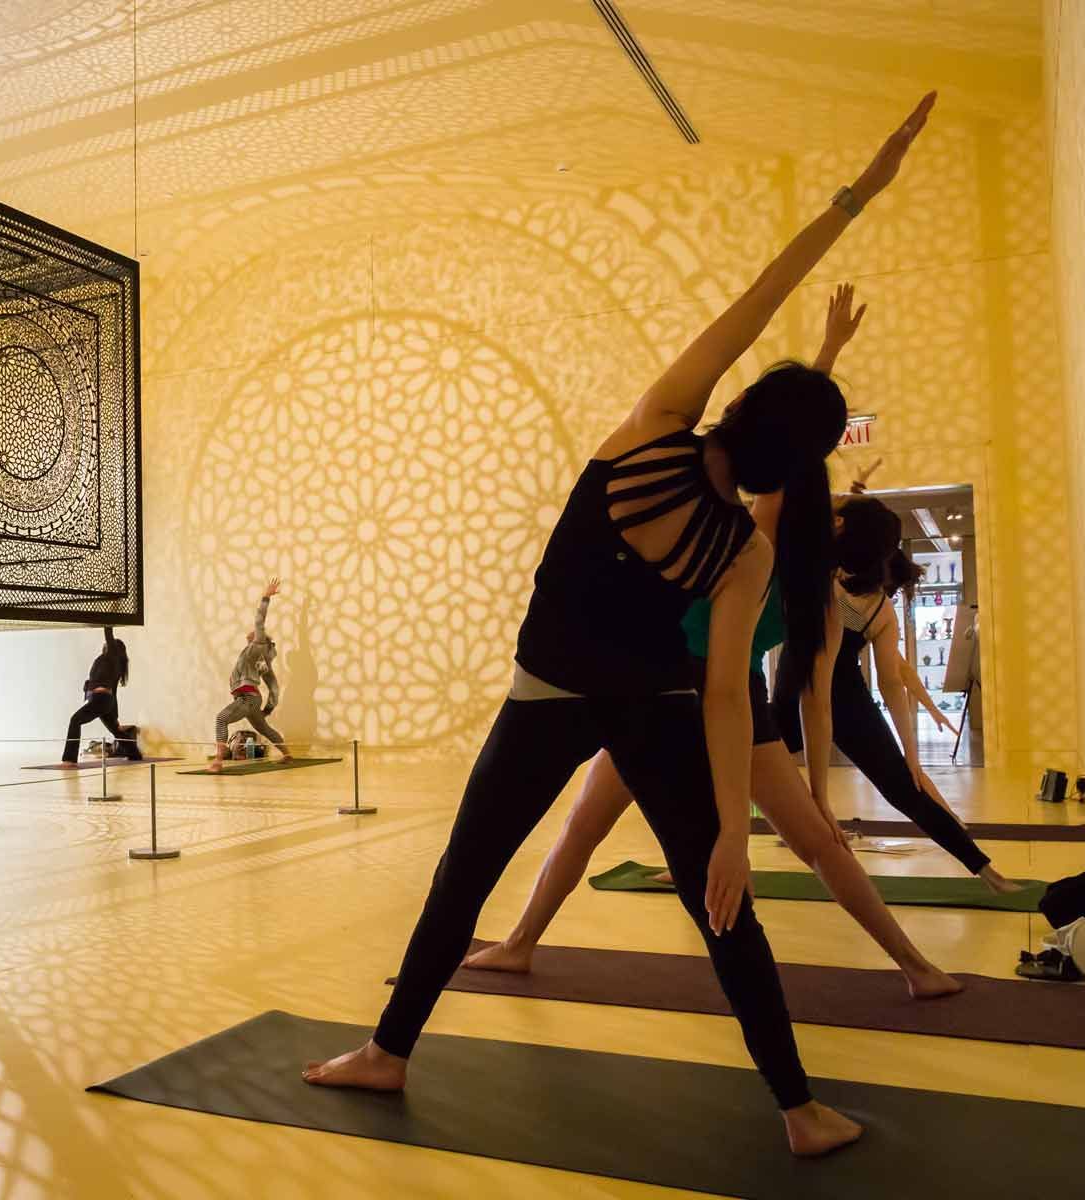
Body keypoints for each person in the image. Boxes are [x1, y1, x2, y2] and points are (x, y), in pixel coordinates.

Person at [304, 93, 939, 1159]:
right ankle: (801, 1112)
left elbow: (760, 292)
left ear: (739, 409)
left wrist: (854, 198)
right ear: (797, 467)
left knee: (465, 877)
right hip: (658, 706)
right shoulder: (742, 550)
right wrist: (735, 833)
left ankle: (388, 1052)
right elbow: (729, 693)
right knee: (723, 906)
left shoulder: (654, 427)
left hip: (556, 693)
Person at [462, 290, 963, 1000]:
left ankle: (519, 943)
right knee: (779, 839)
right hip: (686, 693)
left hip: (675, 690)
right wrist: (819, 793)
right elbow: (783, 442)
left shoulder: (757, 542)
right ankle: (916, 967)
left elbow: (781, 442)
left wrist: (824, 359)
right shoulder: (784, 566)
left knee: (596, 827)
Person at [776, 543, 1021, 892]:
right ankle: (987, 872)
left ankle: (984, 869)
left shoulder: (862, 600)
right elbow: (894, 681)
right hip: (808, 699)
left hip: (841, 703)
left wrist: (912, 756)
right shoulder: (846, 592)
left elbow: (893, 681)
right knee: (734, 769)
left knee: (905, 788)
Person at [207, 578, 290, 773]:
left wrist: (266, 597)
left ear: (260, 638)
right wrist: (266, 711)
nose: (250, 633)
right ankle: (287, 753)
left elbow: (259, 620)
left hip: (247, 698)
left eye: (254, 633)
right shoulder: (262, 661)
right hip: (253, 700)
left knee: (221, 718)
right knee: (265, 729)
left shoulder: (256, 648)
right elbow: (274, 688)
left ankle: (218, 761)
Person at [61, 627, 141, 765]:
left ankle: (69, 759)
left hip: (101, 700)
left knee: (75, 720)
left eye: (110, 644)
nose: (105, 644)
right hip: (103, 701)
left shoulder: (111, 658)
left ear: (114, 650)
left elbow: (108, 635)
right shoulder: (107, 662)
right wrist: (115, 718)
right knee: (116, 730)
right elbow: (114, 694)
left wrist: (107, 621)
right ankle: (135, 754)